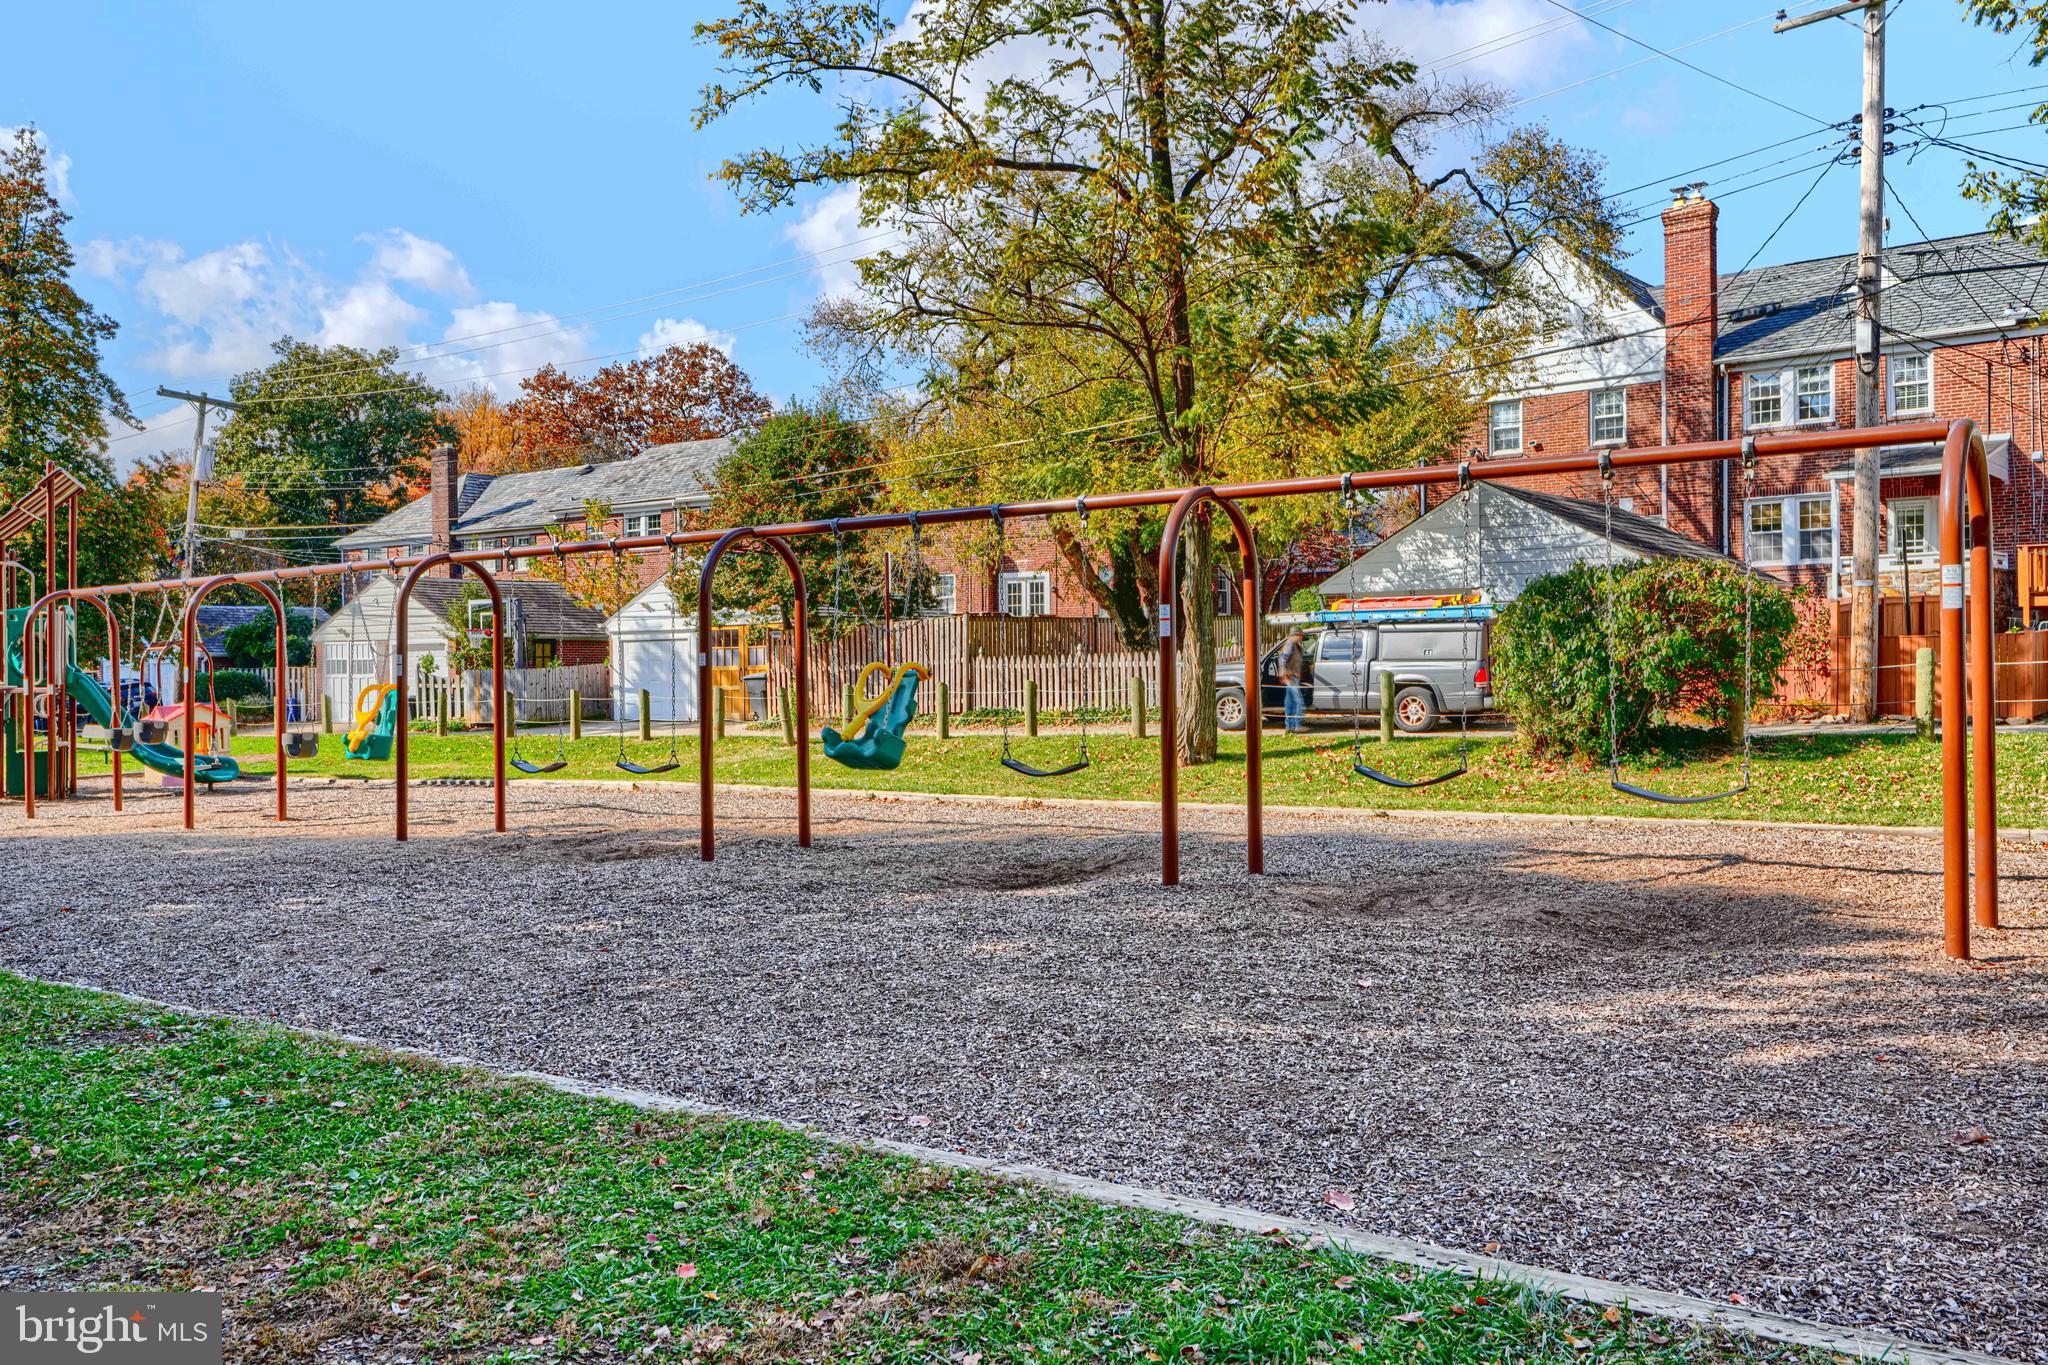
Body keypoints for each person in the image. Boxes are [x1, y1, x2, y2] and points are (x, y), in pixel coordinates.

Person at [1276, 628, 1309, 734]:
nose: (1302, 637)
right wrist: (1289, 673)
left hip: (1291, 678)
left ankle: (1289, 727)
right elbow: (1282, 659)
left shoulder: (1295, 645)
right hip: (1291, 678)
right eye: (1300, 635)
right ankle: (1297, 725)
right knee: (1299, 701)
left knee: (1289, 702)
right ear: (1295, 635)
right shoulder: (1290, 644)